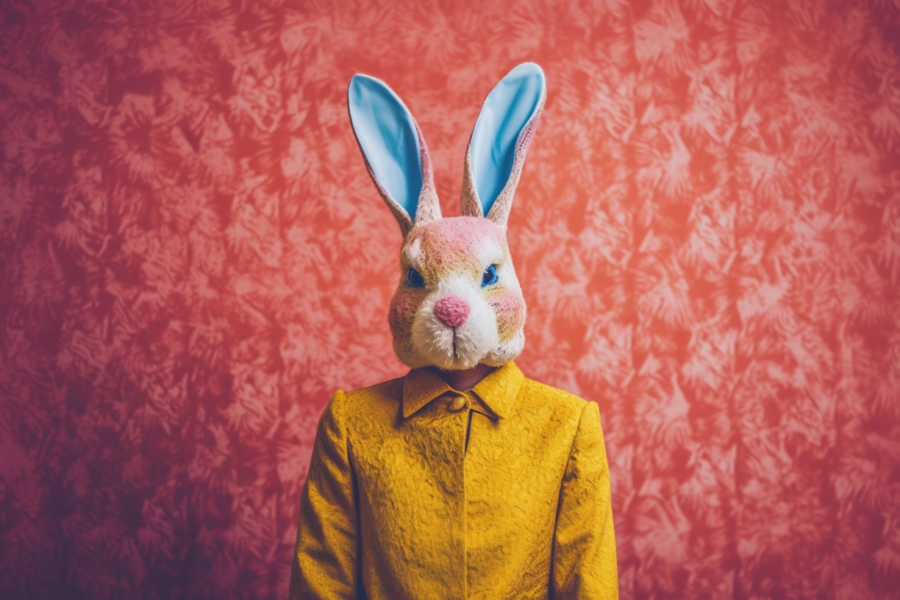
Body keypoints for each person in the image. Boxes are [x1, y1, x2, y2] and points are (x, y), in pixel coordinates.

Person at [289, 63, 618, 600]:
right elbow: (321, 583)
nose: (452, 308)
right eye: (423, 280)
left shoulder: (568, 427)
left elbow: (588, 585)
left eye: (484, 277)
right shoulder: (351, 425)